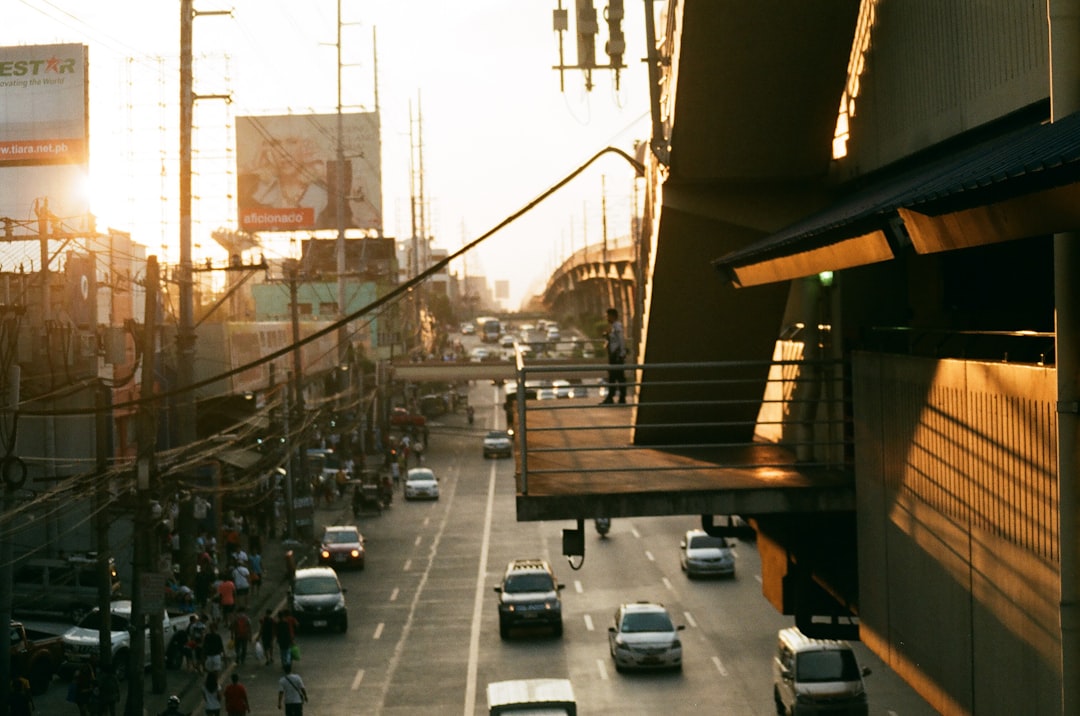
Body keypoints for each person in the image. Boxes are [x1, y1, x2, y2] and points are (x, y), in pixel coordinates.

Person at [601, 307, 628, 405]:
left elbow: (621, 340)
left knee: (618, 377)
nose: (606, 318)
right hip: (613, 356)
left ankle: (620, 398)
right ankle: (614, 397)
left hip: (616, 357)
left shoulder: (617, 327)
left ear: (612, 316)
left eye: (608, 316)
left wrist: (622, 353)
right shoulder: (613, 327)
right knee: (614, 377)